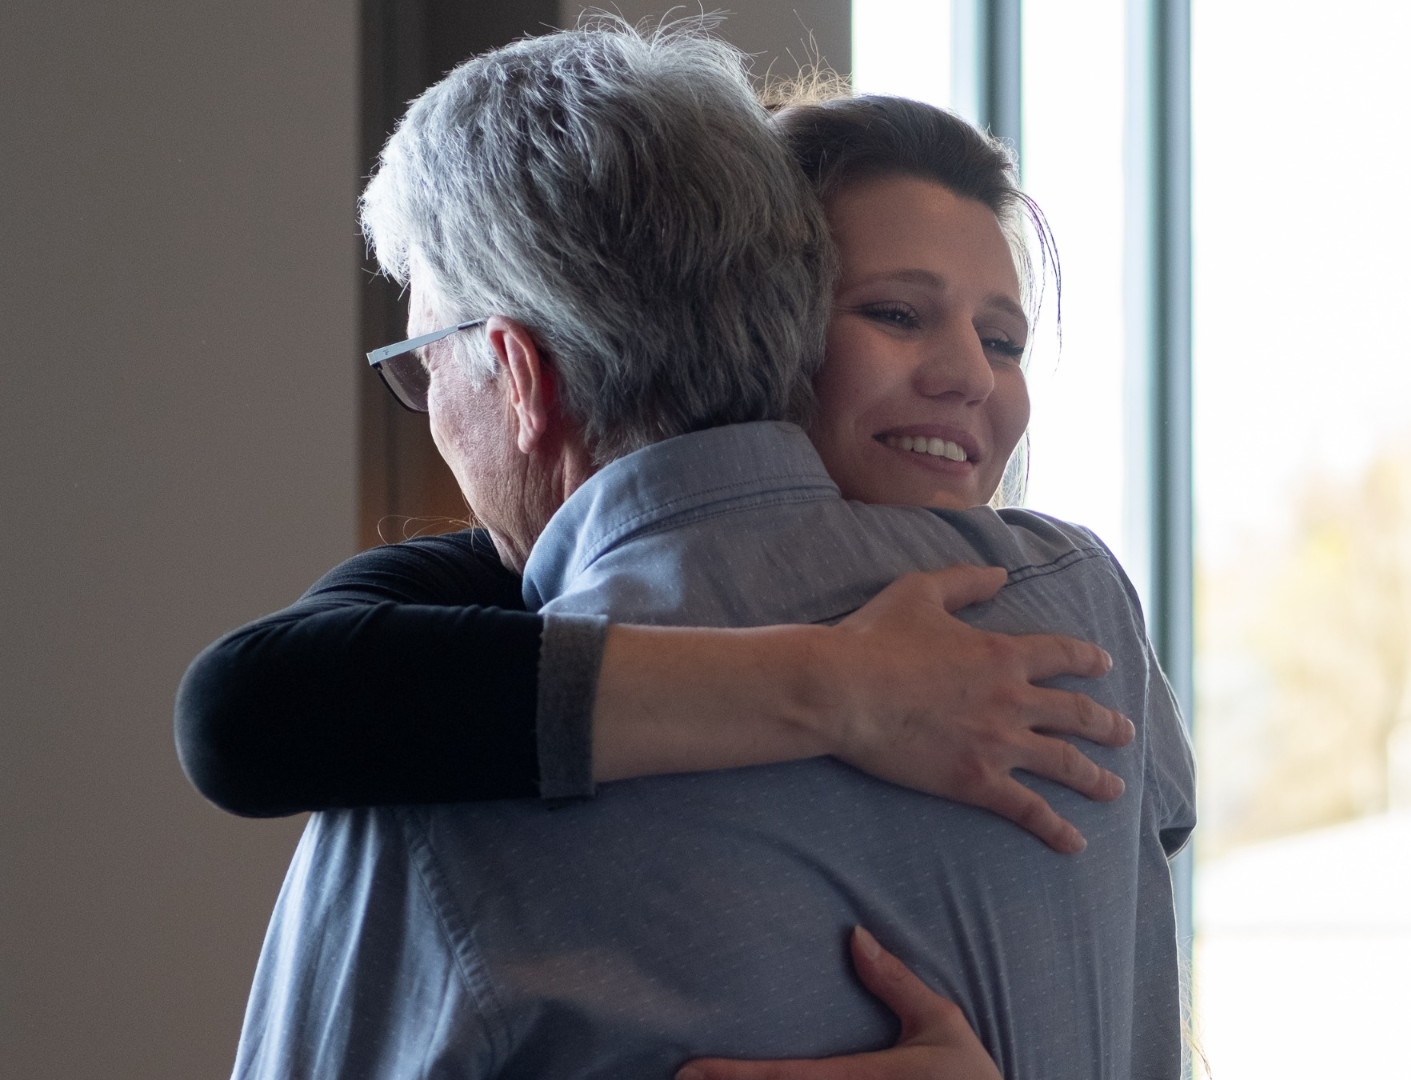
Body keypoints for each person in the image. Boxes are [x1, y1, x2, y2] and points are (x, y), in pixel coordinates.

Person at [228, 23, 1191, 1080]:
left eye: (427, 371)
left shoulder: (433, 793)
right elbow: (253, 702)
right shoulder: (1081, 608)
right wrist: (833, 686)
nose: (963, 371)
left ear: (518, 376)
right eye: (895, 313)